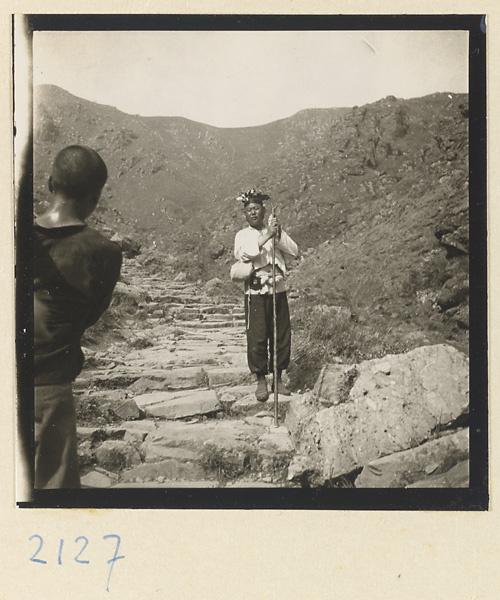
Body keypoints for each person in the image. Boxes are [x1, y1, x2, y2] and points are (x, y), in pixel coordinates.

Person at [33, 145, 122, 488]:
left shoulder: (14, 237)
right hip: (50, 389)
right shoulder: (104, 253)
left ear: (49, 182)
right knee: (52, 497)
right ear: (96, 196)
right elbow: (91, 314)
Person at [233, 189, 299, 402]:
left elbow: (294, 250)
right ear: (245, 214)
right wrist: (265, 237)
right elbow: (245, 254)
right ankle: (261, 380)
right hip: (256, 293)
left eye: (256, 209)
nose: (253, 213)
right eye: (249, 210)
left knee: (280, 335)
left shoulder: (274, 230)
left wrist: (276, 234)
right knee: (257, 336)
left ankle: (278, 378)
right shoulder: (242, 235)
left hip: (277, 290)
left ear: (263, 211)